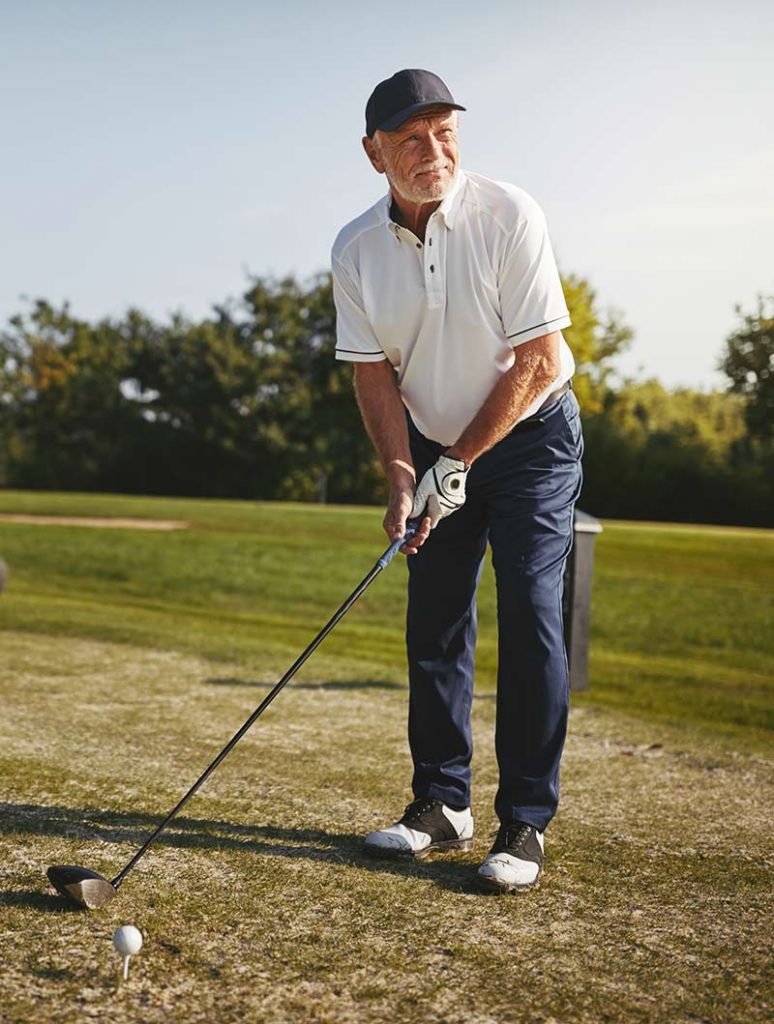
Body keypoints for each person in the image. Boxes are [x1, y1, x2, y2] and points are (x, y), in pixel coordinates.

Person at [331, 69, 583, 893]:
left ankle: (525, 821)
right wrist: (403, 473)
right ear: (374, 153)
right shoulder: (355, 249)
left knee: (531, 610)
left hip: (532, 439)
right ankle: (441, 803)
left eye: (444, 132)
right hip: (435, 442)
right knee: (435, 617)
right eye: (410, 138)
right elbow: (373, 373)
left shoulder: (510, 214)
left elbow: (539, 359)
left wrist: (459, 462)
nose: (432, 150)